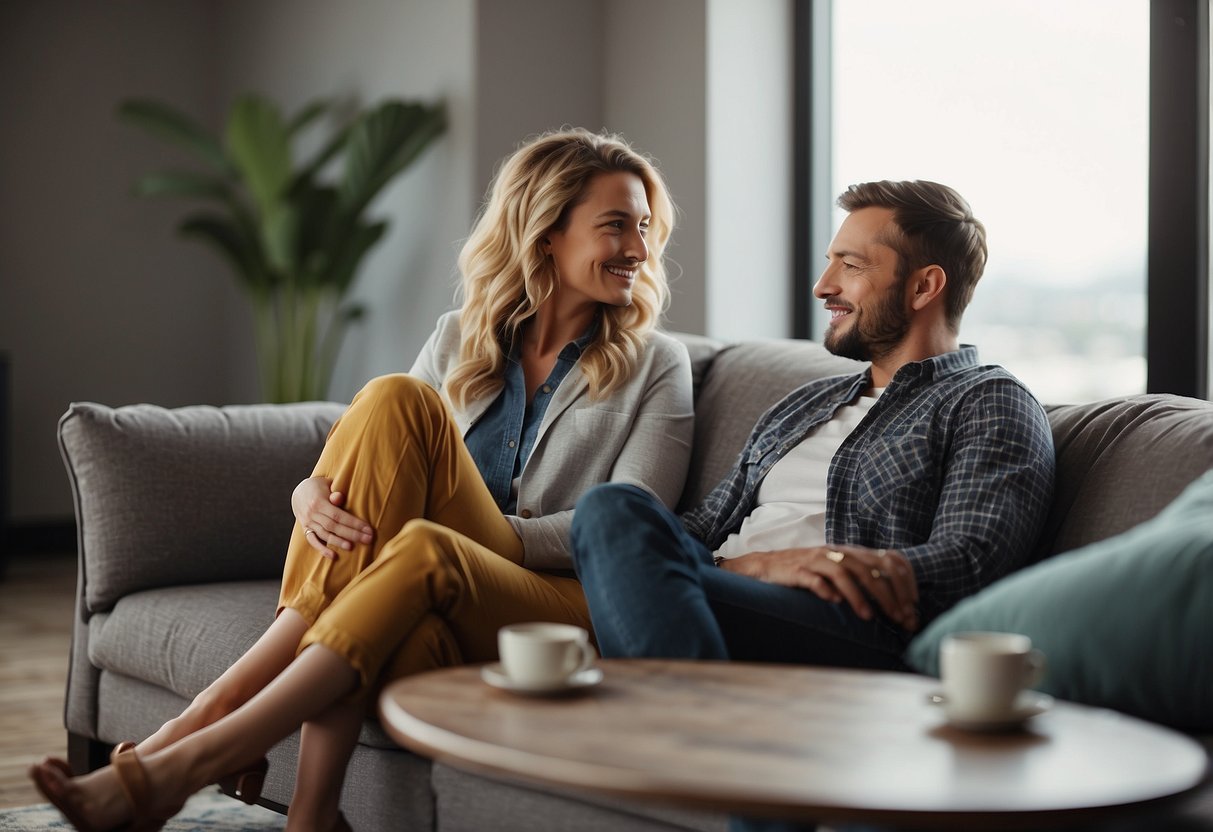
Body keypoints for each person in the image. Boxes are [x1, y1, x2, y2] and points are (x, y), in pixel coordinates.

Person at [30, 128, 695, 832]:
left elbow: (632, 523)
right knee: (393, 434)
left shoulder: (656, 363)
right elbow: (371, 449)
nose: (639, 248)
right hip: (441, 576)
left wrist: (500, 540)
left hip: (561, 600)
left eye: (646, 227)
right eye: (615, 224)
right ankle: (313, 815)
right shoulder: (457, 339)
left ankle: (195, 736)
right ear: (545, 233)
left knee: (410, 476)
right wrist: (307, 492)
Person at [570, 180, 1055, 702]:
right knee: (612, 509)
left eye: (851, 265)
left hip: (852, 627)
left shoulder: (988, 401)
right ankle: (696, 727)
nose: (823, 286)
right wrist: (755, 566)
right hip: (728, 593)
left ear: (923, 287)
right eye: (830, 262)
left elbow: (971, 562)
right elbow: (699, 530)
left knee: (612, 521)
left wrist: (830, 565)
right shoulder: (805, 404)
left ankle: (684, 734)